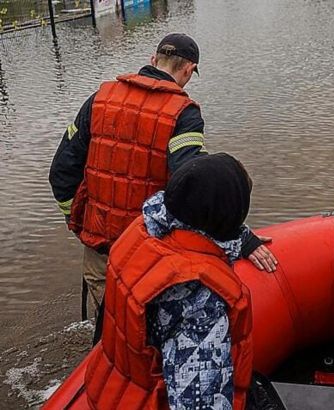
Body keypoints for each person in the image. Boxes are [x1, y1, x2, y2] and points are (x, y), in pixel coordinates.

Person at [49, 33, 276, 319]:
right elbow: (195, 189)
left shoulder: (100, 99)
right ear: (189, 69)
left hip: (100, 253)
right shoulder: (183, 114)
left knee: (110, 334)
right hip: (149, 256)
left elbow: (61, 172)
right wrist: (240, 238)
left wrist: (81, 223)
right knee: (148, 343)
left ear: (153, 60)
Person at [85, 154, 262, 410]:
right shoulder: (199, 300)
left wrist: (241, 240)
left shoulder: (141, 233)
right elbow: (200, 400)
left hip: (110, 388)